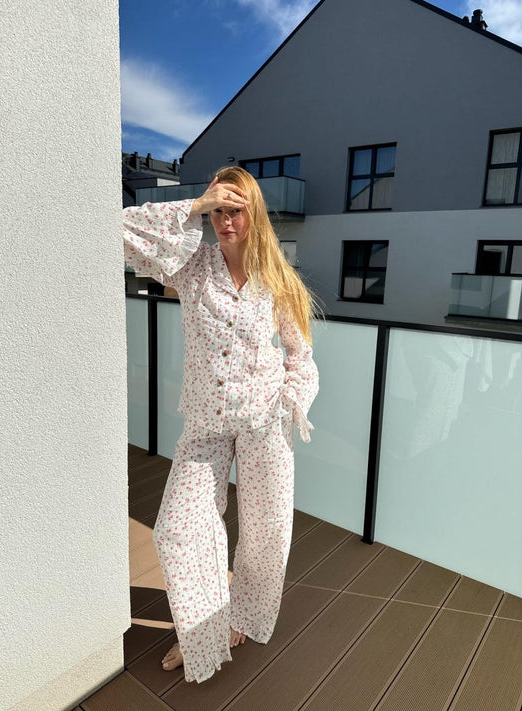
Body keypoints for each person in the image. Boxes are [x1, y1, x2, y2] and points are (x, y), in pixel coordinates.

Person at [122, 166, 319, 683]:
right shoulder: (192, 266)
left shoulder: (277, 281)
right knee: (176, 531)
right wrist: (194, 205)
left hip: (264, 424)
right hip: (206, 424)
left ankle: (241, 619)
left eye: (236, 210)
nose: (225, 220)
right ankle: (202, 634)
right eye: (219, 210)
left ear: (255, 215)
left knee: (266, 534)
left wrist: (288, 404)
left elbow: (301, 358)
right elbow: (120, 230)